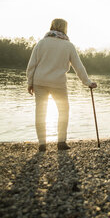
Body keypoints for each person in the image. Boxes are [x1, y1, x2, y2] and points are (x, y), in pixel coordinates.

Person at [26, 18, 97, 152]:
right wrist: (87, 82)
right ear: (65, 28)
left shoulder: (41, 43)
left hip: (39, 81)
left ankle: (42, 144)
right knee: (63, 111)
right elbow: (78, 67)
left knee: (40, 112)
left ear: (51, 26)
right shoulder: (68, 46)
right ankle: (61, 142)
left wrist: (30, 82)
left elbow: (31, 65)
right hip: (58, 83)